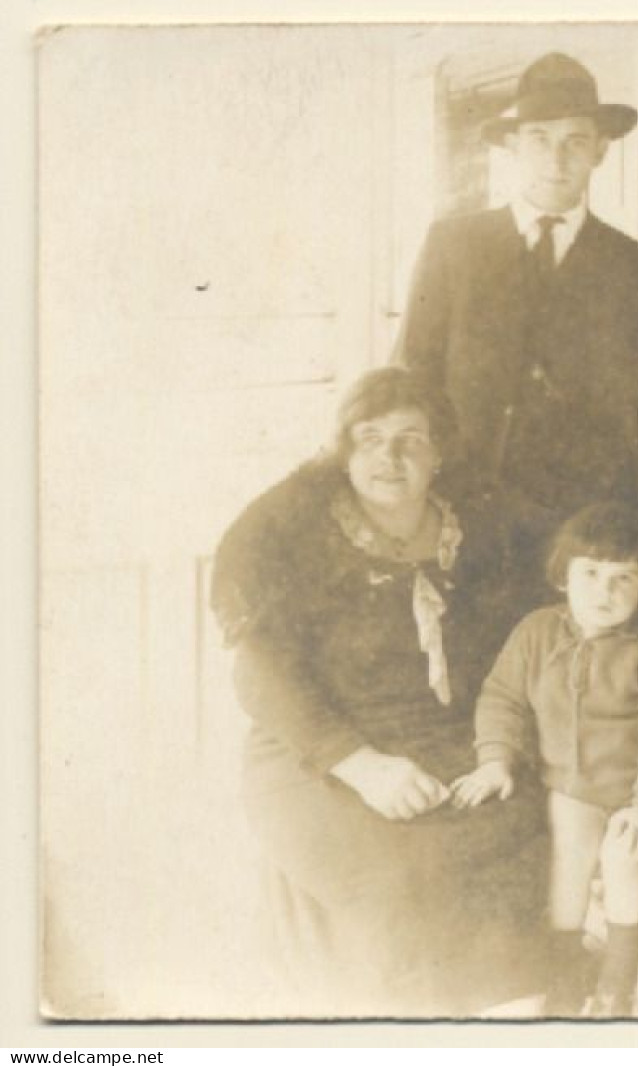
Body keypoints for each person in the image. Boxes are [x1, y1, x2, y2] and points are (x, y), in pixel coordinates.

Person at [210, 368, 550, 1017]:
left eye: (409, 440)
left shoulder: (478, 531)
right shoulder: (304, 538)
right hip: (319, 755)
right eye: (369, 440)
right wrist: (361, 766)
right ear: (345, 451)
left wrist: (497, 749)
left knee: (512, 847)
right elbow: (258, 674)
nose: (388, 459)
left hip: (451, 742)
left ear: (439, 454)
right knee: (397, 883)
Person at [395, 52, 638, 520]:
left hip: (579, 509)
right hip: (464, 497)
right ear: (514, 147)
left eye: (575, 142)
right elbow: (413, 371)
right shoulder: (454, 244)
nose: (556, 160)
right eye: (540, 139)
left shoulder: (631, 263)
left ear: (600, 151)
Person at [452, 502, 638, 1018]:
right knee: (568, 856)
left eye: (625, 578)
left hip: (636, 791)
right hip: (568, 787)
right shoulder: (536, 632)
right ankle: (563, 973)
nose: (606, 591)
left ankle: (617, 988)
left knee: (629, 855)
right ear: (562, 576)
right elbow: (501, 697)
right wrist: (496, 758)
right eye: (591, 574)